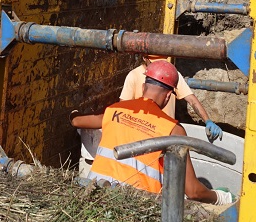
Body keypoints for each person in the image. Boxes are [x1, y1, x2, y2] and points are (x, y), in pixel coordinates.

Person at [70, 60, 234, 205]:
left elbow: (78, 121)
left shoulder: (114, 110)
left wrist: (73, 116)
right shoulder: (173, 130)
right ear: (169, 95)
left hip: (92, 197)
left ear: (143, 87)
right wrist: (220, 197)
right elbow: (193, 191)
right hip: (137, 207)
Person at [120, 55, 223, 143]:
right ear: (144, 58)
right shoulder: (133, 76)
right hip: (142, 132)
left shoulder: (171, 74)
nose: (159, 65)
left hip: (167, 132)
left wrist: (207, 120)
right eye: (155, 62)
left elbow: (191, 99)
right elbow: (123, 108)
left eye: (163, 60)